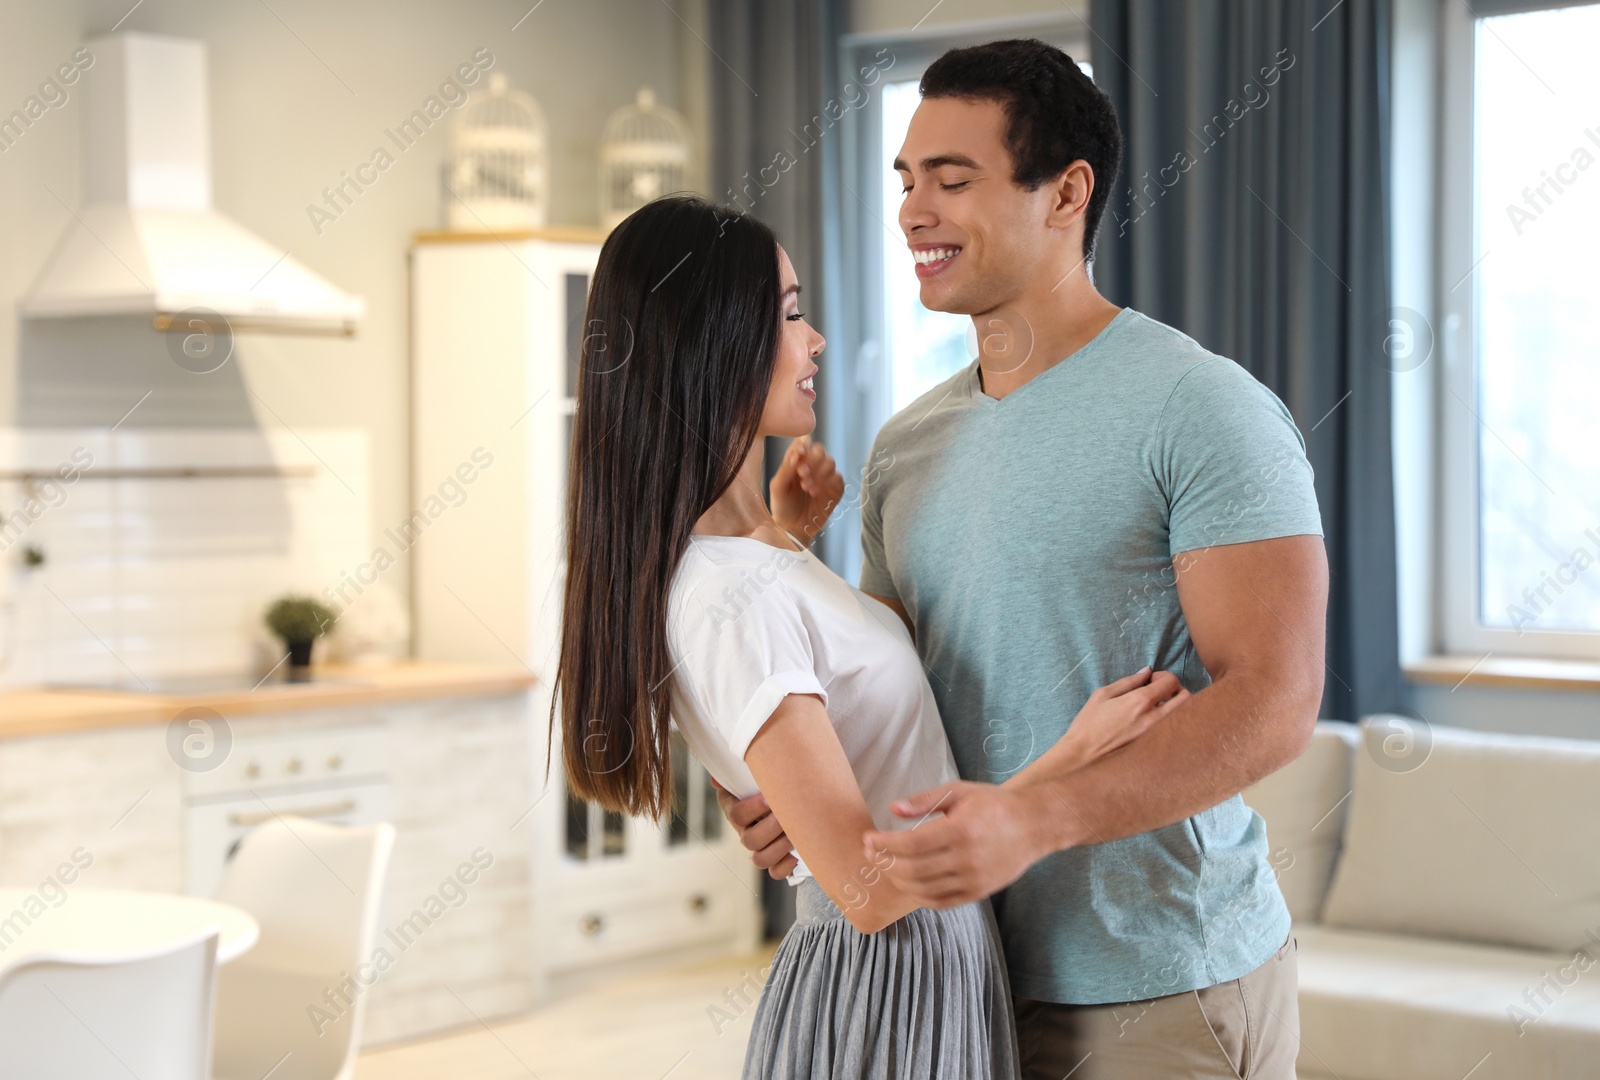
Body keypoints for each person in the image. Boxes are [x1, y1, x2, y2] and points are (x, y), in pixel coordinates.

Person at [717, 38, 1329, 1080]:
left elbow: (1275, 697)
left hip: (1156, 983)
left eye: (952, 180)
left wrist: (1033, 819)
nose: (913, 211)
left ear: (1066, 193)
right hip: (959, 971)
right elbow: (891, 696)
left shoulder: (1200, 407)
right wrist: (797, 803)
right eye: (906, 181)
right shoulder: (906, 445)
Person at [551, 193, 1189, 1079]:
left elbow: (838, 708)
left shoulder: (751, 555)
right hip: (894, 974)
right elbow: (862, 889)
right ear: (714, 341)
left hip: (924, 963)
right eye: (788, 313)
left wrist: (791, 537)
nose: (813, 341)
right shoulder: (729, 591)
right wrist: (1070, 761)